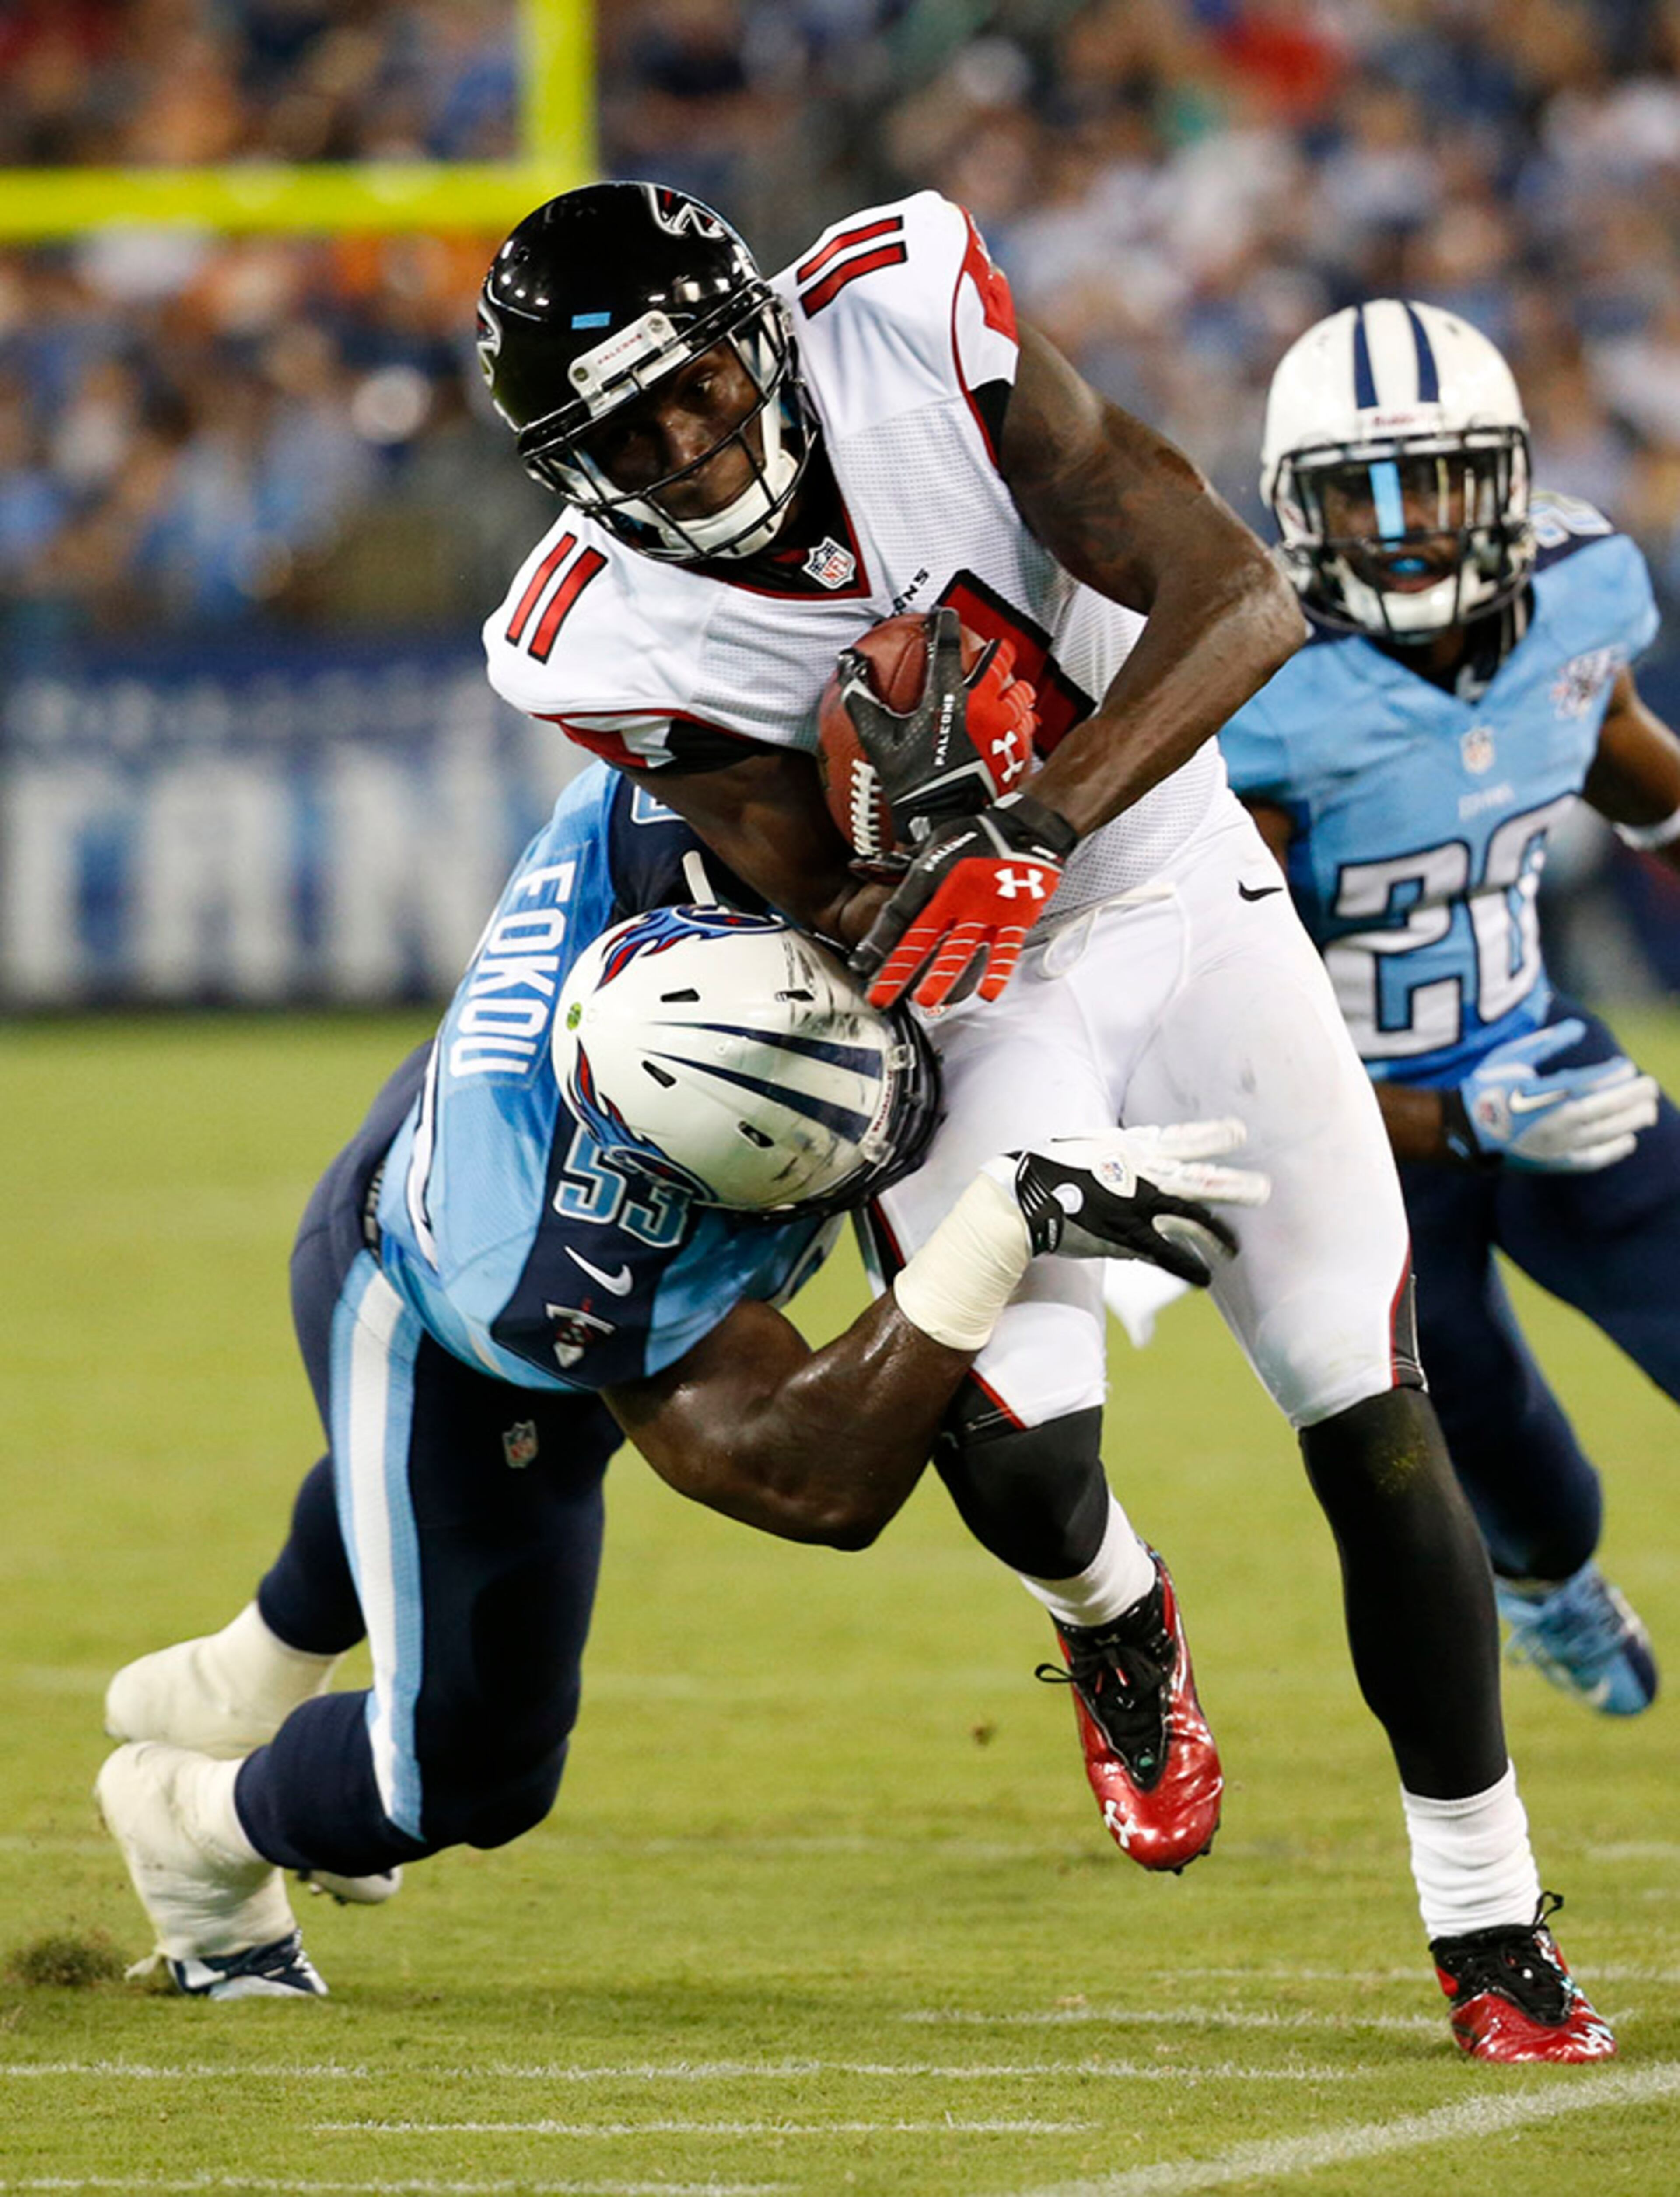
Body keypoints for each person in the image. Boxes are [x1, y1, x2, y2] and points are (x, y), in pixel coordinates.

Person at [469, 182, 1615, 2060]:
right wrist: (906, 869)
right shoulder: (588, 630)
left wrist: (1046, 813)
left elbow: (1235, 594)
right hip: (969, 972)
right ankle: (1112, 1608)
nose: (689, 443)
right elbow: (791, 881)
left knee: (1365, 1398)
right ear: (568, 468)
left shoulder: (905, 317)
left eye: (695, 387)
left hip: (1169, 868)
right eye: (628, 431)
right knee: (1009, 1459)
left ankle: (1490, 1923)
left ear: (755, 331)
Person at [96, 762, 1262, 2001]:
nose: (893, 1115)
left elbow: (722, 733)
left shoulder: (689, 832)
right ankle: (192, 1829)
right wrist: (996, 1227)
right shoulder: (559, 1270)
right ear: (690, 1190)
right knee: (470, 1768)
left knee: (428, 1521)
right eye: (821, 1146)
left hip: (515, 1122)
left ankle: (241, 1676)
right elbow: (808, 1480)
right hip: (425, 1301)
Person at [1206, 297, 1680, 1719]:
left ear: (1513, 480)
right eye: (1366, 493)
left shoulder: (1584, 589)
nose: (1410, 525)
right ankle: (1549, 1587)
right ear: (1297, 509)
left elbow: (1622, 756)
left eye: (1442, 479)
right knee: (1526, 1481)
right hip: (1351, 1151)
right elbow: (1224, 1044)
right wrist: (1456, 1118)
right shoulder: (1257, 687)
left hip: (1540, 1057)